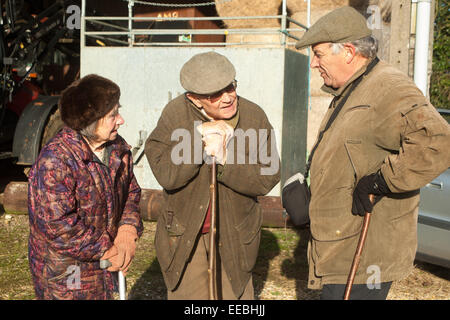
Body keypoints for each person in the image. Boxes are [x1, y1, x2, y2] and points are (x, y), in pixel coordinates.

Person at [294, 7, 450, 300]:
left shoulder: (388, 87)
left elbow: (438, 141)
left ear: (349, 52)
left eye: (319, 54)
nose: (314, 64)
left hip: (364, 256)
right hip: (341, 247)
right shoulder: (353, 89)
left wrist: (380, 181)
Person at [145, 51, 280, 300]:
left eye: (231, 87)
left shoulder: (254, 117)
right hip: (185, 233)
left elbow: (268, 176)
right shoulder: (175, 115)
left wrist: (226, 160)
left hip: (235, 234)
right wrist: (198, 140)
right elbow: (166, 175)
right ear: (194, 99)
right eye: (215, 94)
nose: (228, 97)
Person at [28, 74, 144, 300]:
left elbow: (131, 192)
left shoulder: (117, 148)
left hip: (104, 269)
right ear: (90, 121)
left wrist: (127, 231)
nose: (121, 120)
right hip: (66, 274)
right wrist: (107, 250)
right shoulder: (55, 161)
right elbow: (58, 226)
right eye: (112, 115)